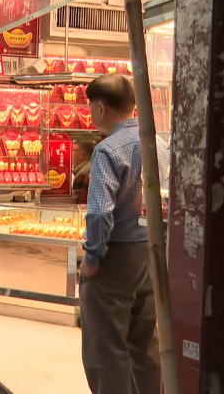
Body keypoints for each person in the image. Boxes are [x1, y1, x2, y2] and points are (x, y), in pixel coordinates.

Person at [79, 74, 170, 394]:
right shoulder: (160, 145)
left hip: (114, 257)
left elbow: (99, 212)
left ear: (101, 108)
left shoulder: (107, 150)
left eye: (91, 106)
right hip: (149, 252)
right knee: (145, 341)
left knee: (106, 347)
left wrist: (92, 256)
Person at [72, 140, 98, 205]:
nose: (71, 155)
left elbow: (81, 203)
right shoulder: (93, 166)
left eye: (72, 151)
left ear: (82, 154)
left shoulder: (82, 175)